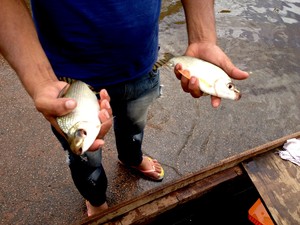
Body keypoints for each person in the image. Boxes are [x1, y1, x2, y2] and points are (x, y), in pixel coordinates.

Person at [0, 0, 249, 217]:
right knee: (84, 157)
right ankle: (96, 199)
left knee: (134, 125)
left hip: (143, 65)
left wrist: (202, 37)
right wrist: (40, 79)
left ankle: (131, 158)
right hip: (67, 83)